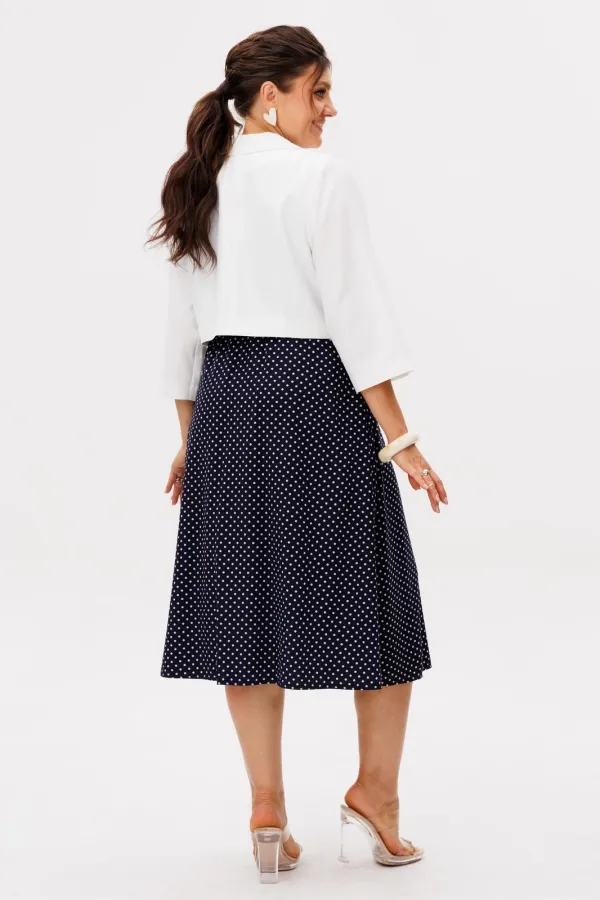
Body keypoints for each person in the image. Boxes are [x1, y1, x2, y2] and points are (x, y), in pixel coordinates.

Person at [146, 23, 448, 885]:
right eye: (319, 90)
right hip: (316, 396)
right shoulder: (322, 178)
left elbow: (183, 336)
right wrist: (402, 439)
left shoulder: (198, 181)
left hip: (228, 404)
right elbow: (357, 316)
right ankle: (374, 799)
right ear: (270, 96)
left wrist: (191, 442)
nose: (330, 108)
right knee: (376, 602)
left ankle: (267, 810)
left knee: (243, 608)